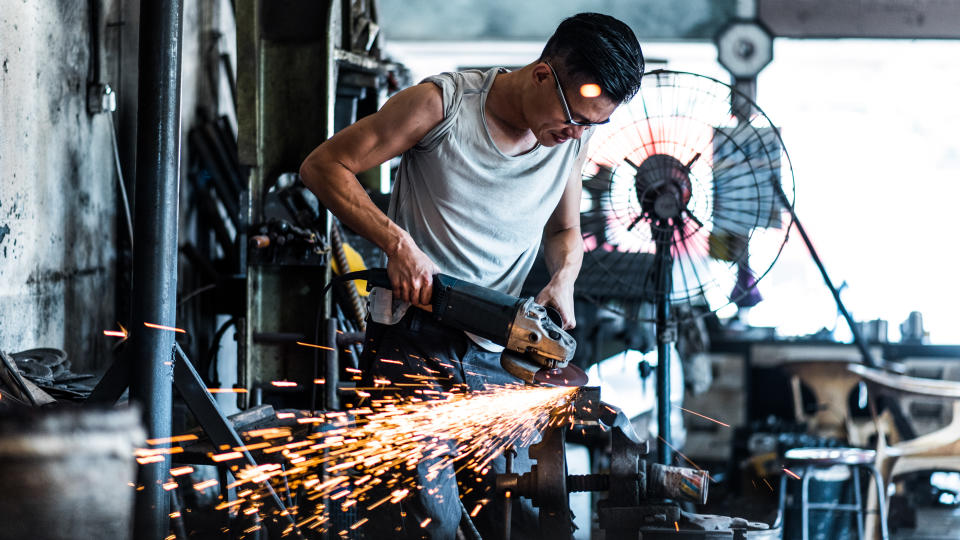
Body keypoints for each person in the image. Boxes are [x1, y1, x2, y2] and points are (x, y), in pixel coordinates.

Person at [300, 12, 644, 539]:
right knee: (427, 521)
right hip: (413, 343)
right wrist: (397, 243)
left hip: (499, 352)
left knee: (518, 514)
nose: (576, 133)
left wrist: (564, 277)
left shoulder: (570, 141)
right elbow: (324, 166)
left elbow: (565, 229)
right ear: (542, 74)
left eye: (591, 126)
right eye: (574, 117)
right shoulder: (440, 105)